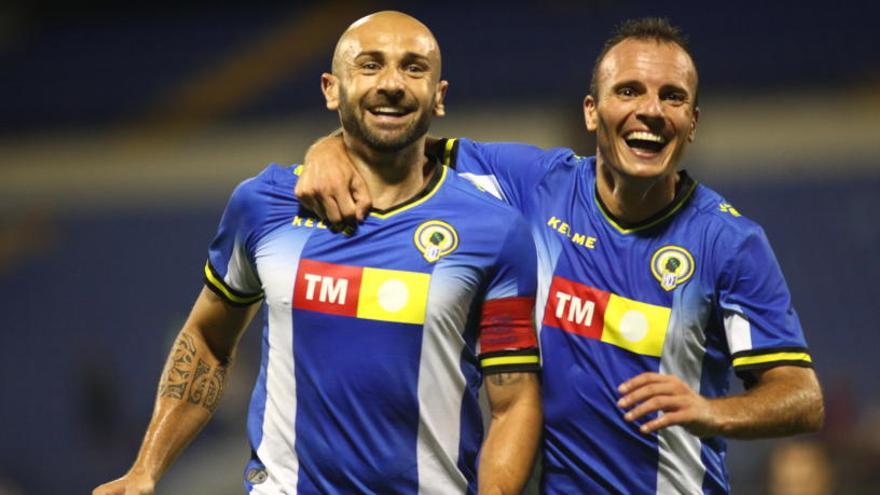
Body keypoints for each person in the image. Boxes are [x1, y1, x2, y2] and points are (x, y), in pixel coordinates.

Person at [296, 17, 825, 494]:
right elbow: (395, 140)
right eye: (629, 90)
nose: (651, 111)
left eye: (673, 97)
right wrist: (328, 149)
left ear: (692, 121)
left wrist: (712, 412)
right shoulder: (533, 186)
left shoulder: (729, 243)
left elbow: (802, 397)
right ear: (592, 112)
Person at [93, 11, 542, 495]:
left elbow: (513, 400)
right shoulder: (263, 205)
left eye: (413, 68)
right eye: (369, 65)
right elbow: (207, 340)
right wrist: (145, 470)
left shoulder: (493, 231)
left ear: (439, 96)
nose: (392, 83)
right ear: (331, 88)